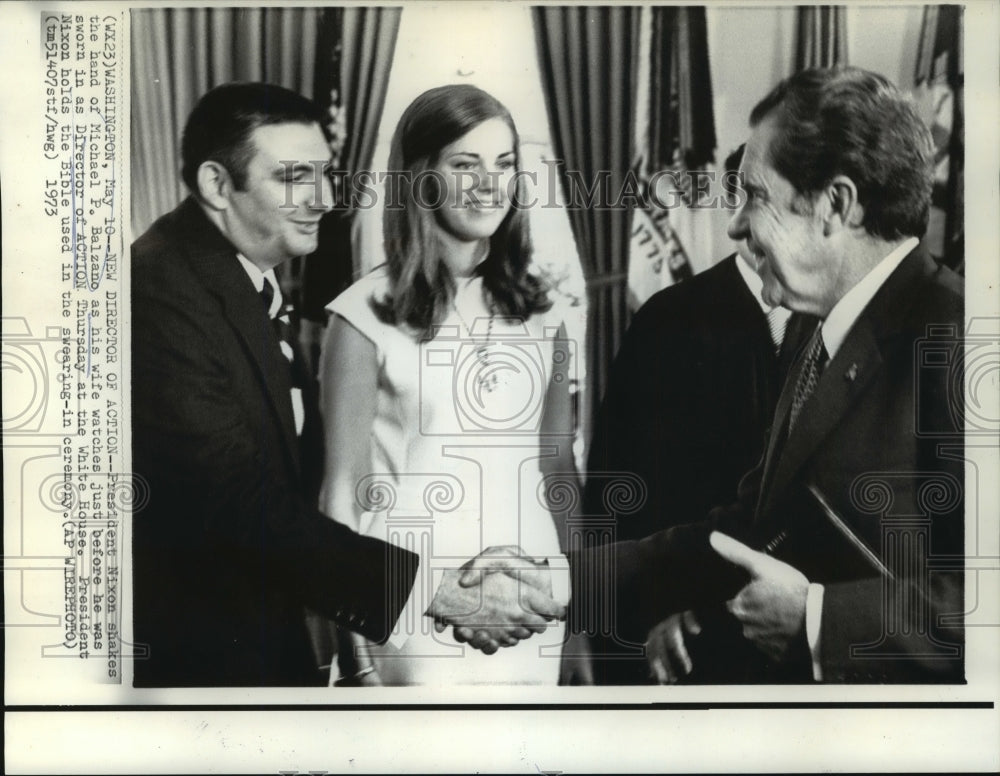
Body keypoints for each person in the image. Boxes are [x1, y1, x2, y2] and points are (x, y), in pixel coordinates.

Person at [131, 82, 564, 687]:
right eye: (294, 177)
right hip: (217, 659)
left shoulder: (237, 285)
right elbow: (242, 503)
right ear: (215, 184)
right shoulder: (160, 290)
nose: (326, 199)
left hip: (514, 599)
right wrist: (403, 614)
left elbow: (554, 465)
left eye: (325, 174)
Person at [563, 66, 964, 683]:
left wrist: (819, 620)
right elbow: (748, 525)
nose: (734, 225)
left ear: (836, 205)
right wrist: (562, 583)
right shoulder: (817, 329)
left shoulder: (959, 333)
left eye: (755, 194)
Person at [318, 84, 578, 685]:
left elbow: (557, 467)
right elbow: (342, 496)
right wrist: (353, 644)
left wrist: (582, 616)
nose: (491, 184)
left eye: (505, 163)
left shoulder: (545, 311)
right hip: (411, 607)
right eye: (466, 164)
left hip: (533, 602)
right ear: (421, 177)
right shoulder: (361, 315)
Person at [583, 145, 814, 684]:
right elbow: (619, 489)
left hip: (799, 631)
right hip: (682, 636)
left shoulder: (834, 322)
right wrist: (645, 614)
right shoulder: (669, 322)